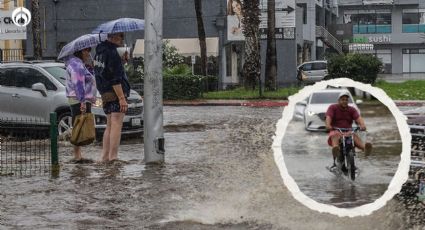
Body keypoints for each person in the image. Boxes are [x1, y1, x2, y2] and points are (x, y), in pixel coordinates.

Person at [93, 32, 130, 163]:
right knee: (116, 124)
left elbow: (104, 72)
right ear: (114, 37)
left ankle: (105, 156)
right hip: (115, 93)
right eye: (121, 36)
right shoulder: (112, 52)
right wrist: (121, 98)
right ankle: (113, 157)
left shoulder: (99, 52)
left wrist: (121, 62)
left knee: (109, 125)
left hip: (105, 93)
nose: (122, 40)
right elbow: (115, 78)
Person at [65, 47, 97, 163]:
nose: (89, 53)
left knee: (79, 124)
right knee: (78, 124)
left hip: (80, 99)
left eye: (89, 50)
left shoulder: (79, 64)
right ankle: (77, 156)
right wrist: (83, 101)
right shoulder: (76, 65)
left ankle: (78, 154)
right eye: (87, 51)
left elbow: (87, 80)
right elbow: (78, 84)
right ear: (81, 51)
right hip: (79, 99)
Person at [325, 92, 372, 170]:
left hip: (348, 131)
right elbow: (328, 117)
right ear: (338, 100)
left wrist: (363, 125)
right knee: (335, 135)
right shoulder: (332, 107)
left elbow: (358, 118)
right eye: (342, 100)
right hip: (336, 130)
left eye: (346, 100)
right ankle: (336, 150)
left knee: (353, 135)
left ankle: (365, 149)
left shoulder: (352, 109)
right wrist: (328, 125)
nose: (344, 101)